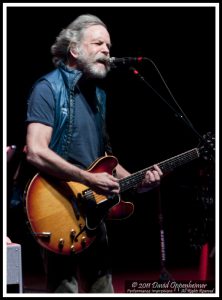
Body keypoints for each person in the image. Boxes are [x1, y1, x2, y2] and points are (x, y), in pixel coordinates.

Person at [25, 14, 163, 293]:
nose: (107, 51)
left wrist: (139, 181)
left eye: (109, 46)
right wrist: (87, 178)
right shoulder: (47, 88)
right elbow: (36, 151)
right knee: (64, 288)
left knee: (103, 287)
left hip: (92, 208)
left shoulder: (98, 95)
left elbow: (105, 160)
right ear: (74, 50)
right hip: (57, 205)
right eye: (98, 43)